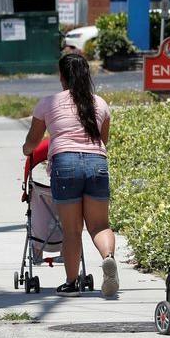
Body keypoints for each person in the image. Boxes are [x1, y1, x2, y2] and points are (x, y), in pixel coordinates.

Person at [22, 53, 119, 298]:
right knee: (99, 225)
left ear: (62, 77)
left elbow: (32, 142)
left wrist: (26, 150)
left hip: (65, 165)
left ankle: (72, 283)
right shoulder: (100, 103)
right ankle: (108, 258)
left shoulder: (48, 103)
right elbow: (102, 141)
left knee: (72, 230)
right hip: (97, 163)